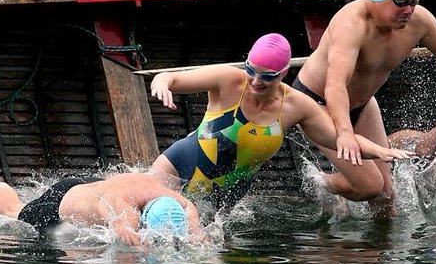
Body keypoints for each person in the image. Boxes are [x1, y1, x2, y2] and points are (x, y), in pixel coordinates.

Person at [291, 0, 436, 210]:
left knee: (386, 199)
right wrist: (344, 133)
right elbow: (336, 85)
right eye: (401, 3)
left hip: (362, 104)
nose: (409, 10)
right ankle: (321, 182)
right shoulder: (351, 25)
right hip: (316, 104)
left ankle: (374, 244)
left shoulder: (419, 21)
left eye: (414, 2)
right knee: (370, 187)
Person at [149, 33, 411, 207]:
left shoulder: (297, 106)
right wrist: (162, 84)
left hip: (227, 195)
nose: (255, 80)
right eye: (250, 69)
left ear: (284, 73)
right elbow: (171, 77)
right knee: (156, 219)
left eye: (267, 76)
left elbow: (339, 139)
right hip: (179, 165)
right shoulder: (227, 80)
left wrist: (379, 150)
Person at [0, 156, 202, 245]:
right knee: (11, 209)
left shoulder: (163, 194)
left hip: (91, 184)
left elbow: (188, 206)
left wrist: (197, 231)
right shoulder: (124, 209)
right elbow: (131, 246)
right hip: (59, 203)